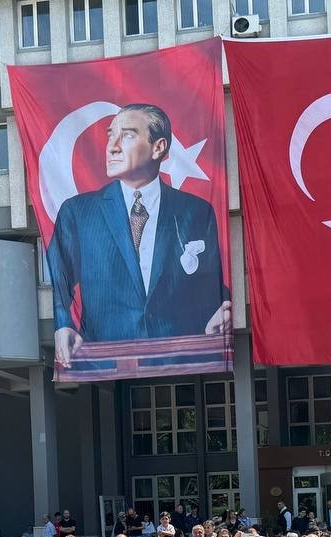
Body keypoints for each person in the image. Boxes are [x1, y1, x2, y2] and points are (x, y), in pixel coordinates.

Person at [49, 101, 231, 365]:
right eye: (111, 135)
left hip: (179, 357)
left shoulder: (196, 211)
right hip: (105, 361)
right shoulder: (78, 213)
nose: (112, 146)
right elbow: (60, 277)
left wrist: (223, 307)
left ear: (158, 147)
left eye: (128, 135)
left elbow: (208, 282)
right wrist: (62, 323)